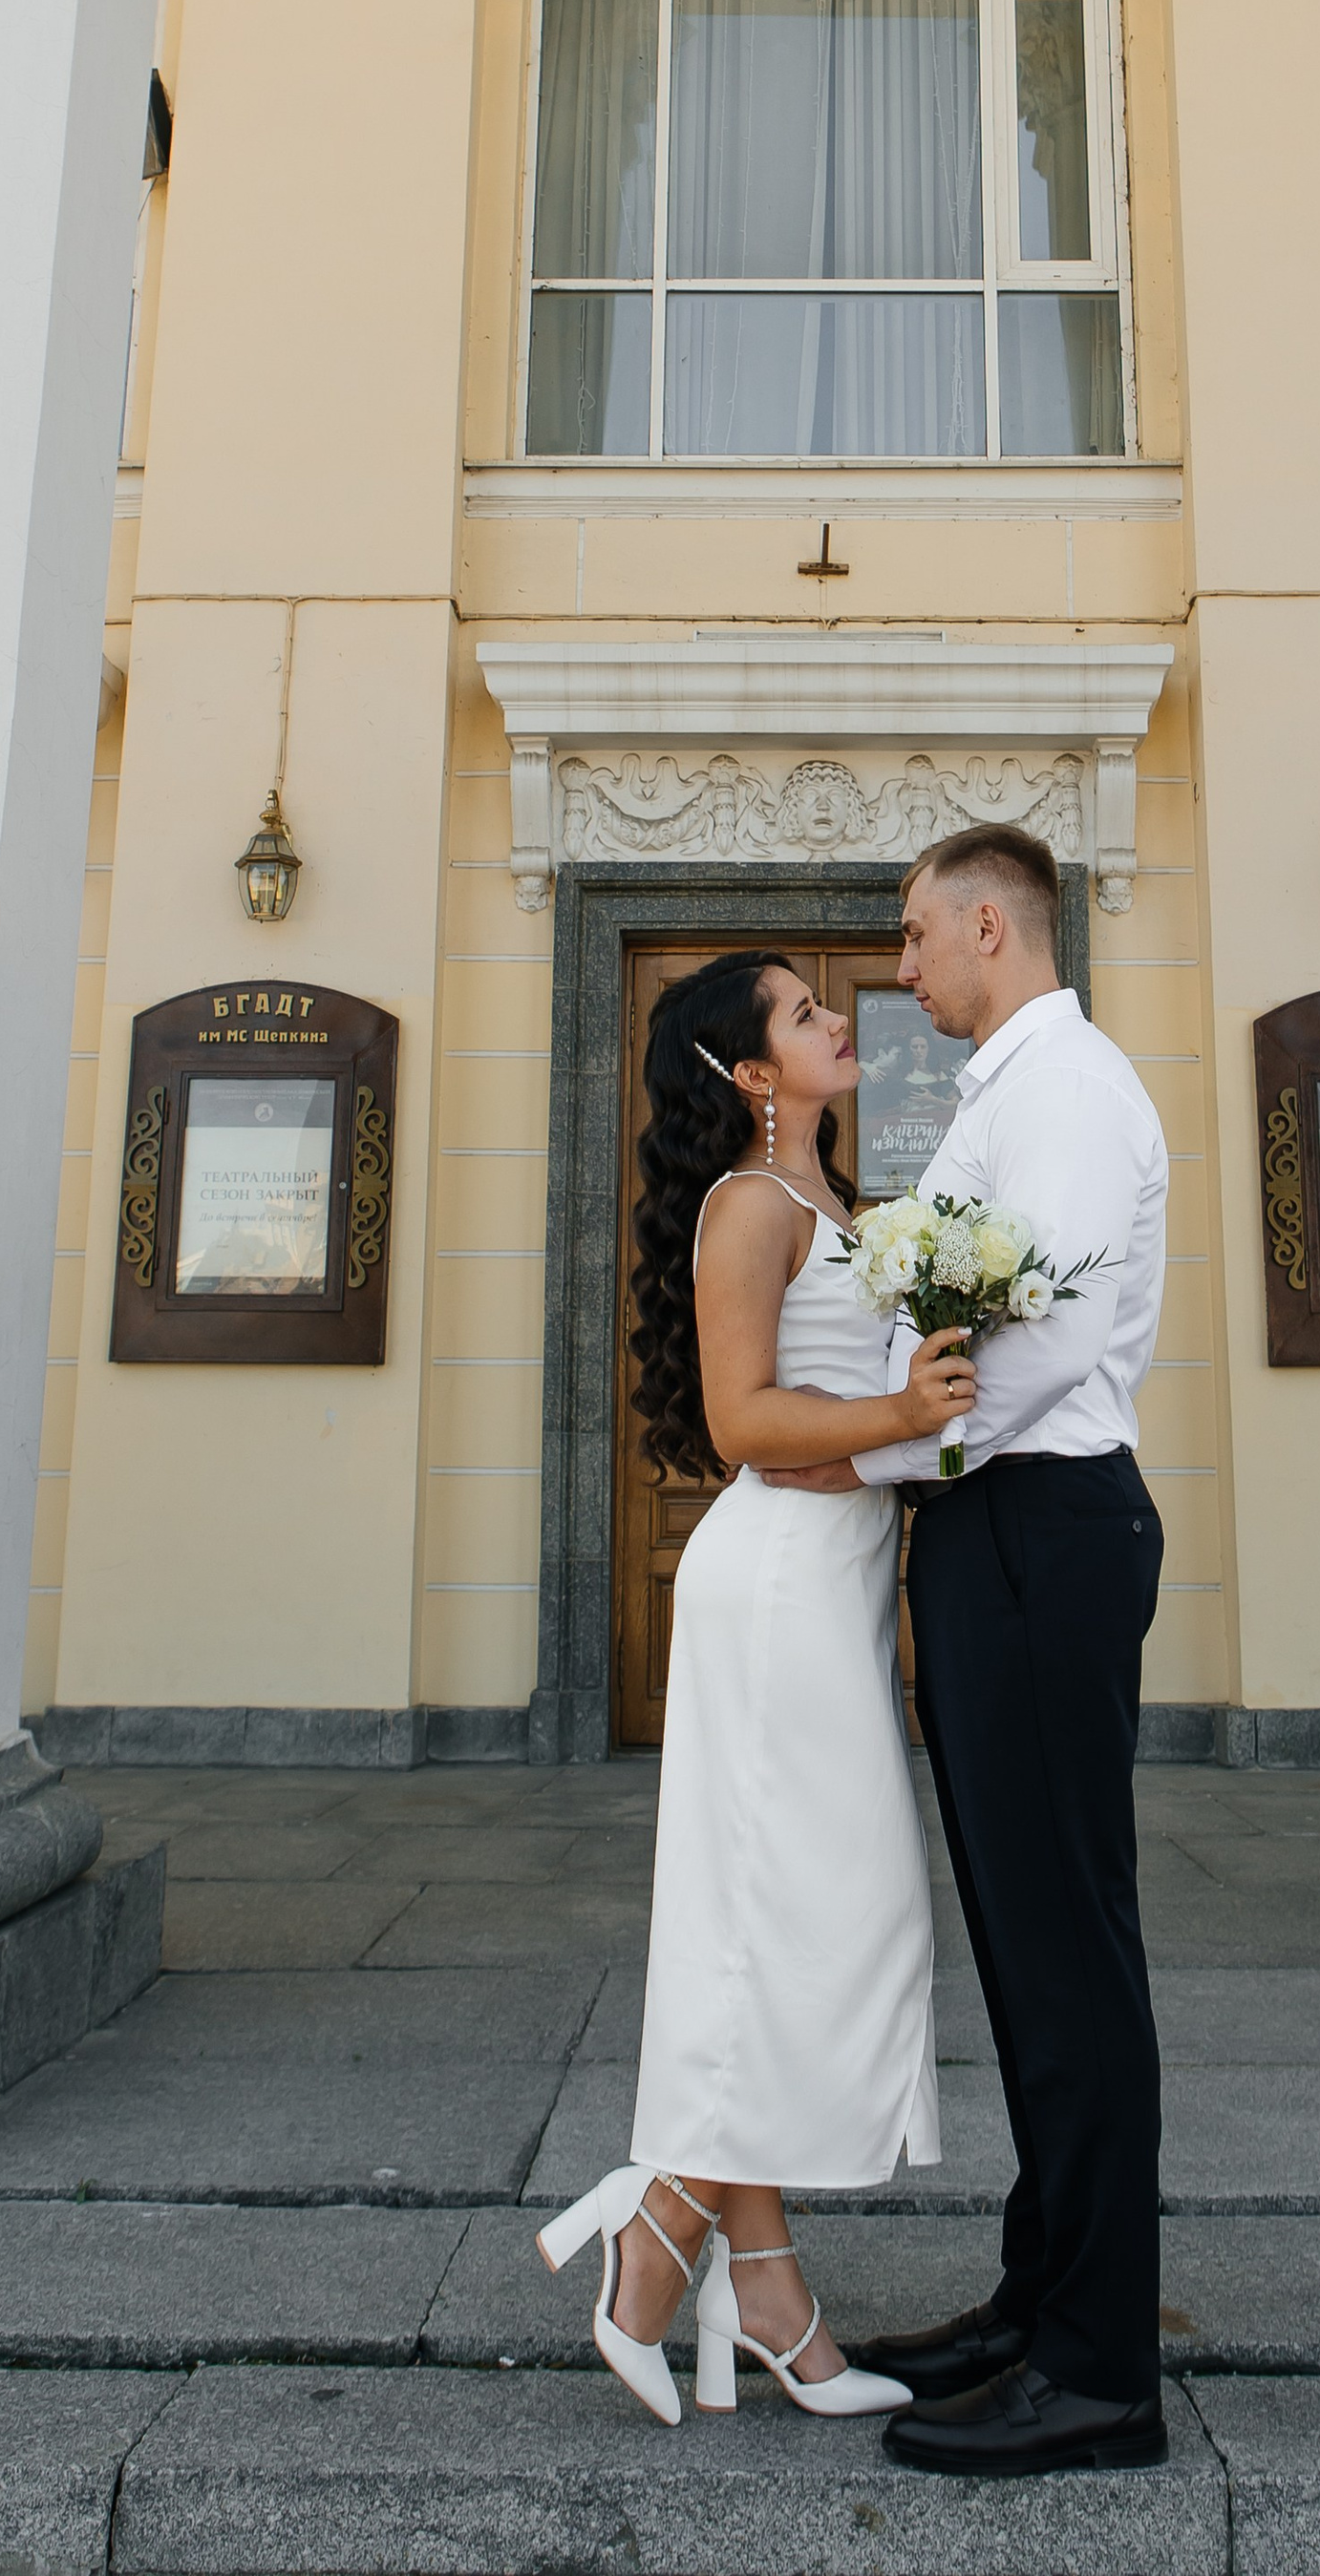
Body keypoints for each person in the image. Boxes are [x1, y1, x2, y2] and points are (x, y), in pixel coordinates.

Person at [762, 825, 1171, 2478]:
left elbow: (1046, 1340)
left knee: (1067, 1942)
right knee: (1021, 1944)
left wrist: (857, 1454)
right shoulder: (1007, 1090)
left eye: (920, 933)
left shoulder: (1068, 1091)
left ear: (990, 924)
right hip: (1001, 1531)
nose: (903, 961)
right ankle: (1039, 2296)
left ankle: (1100, 2368)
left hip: (1048, 1529)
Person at [535, 947, 979, 2427]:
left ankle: (730, 2266)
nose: (839, 1017)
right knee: (805, 1919)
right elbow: (742, 1421)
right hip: (778, 1581)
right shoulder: (749, 1206)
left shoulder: (835, 1202)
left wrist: (919, 1422)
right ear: (752, 1075)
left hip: (835, 1580)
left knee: (800, 1920)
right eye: (802, 1014)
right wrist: (909, 1419)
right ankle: (684, 2244)